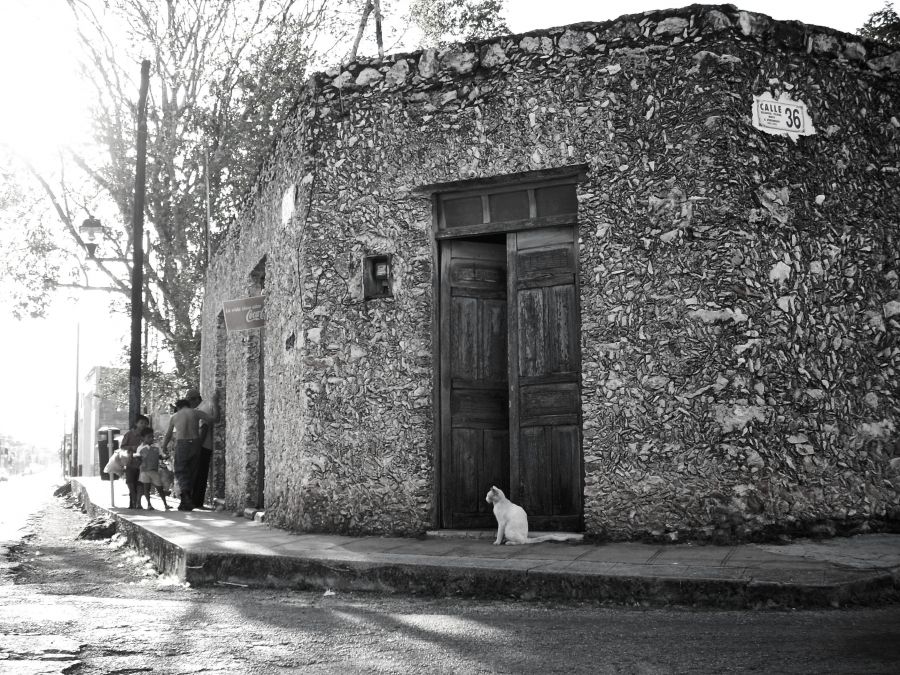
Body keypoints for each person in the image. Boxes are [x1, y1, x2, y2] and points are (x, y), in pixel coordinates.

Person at [162, 398, 214, 511]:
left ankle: (185, 497)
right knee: (192, 471)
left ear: (179, 407)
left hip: (182, 443)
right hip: (195, 443)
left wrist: (164, 447)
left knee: (181, 471)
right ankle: (185, 501)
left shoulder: (175, 416)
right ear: (188, 405)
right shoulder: (195, 412)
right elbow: (213, 420)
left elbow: (168, 434)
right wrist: (215, 404)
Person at [187, 388, 216, 509]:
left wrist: (198, 446)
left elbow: (204, 428)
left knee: (200, 474)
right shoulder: (198, 408)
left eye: (190, 400)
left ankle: (197, 501)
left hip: (203, 446)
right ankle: (196, 500)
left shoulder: (204, 408)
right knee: (197, 473)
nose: (189, 403)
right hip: (199, 445)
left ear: (196, 399)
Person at [120, 415, 150, 509]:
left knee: (140, 483)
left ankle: (138, 503)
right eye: (141, 423)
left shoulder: (147, 435)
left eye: (145, 423)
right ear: (136, 423)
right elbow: (122, 446)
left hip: (143, 463)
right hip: (131, 462)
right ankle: (132, 500)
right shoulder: (129, 434)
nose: (143, 425)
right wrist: (132, 447)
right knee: (130, 482)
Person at [137, 427, 169, 511]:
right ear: (143, 438)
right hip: (144, 471)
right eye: (149, 437)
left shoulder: (156, 447)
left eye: (152, 437)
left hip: (154, 470)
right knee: (146, 488)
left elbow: (161, 456)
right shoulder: (140, 448)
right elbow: (138, 459)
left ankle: (165, 504)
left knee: (160, 488)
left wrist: (164, 457)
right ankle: (149, 504)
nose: (151, 439)